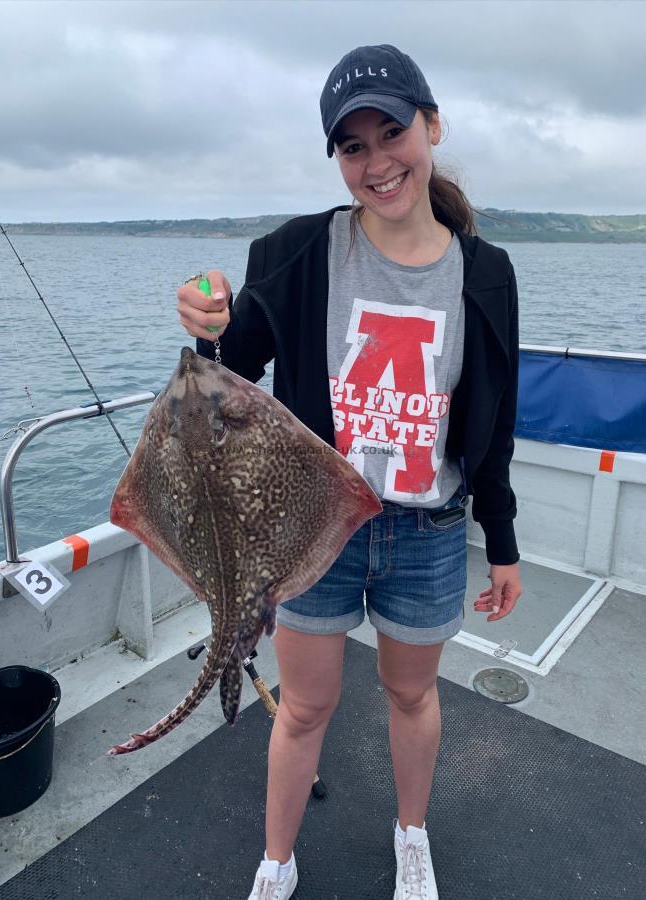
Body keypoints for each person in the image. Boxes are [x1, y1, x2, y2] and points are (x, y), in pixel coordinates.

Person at [177, 43, 522, 900]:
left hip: (429, 531)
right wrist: (208, 325)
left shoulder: (485, 273)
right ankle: (276, 858)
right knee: (303, 708)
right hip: (312, 528)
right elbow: (231, 373)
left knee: (412, 699)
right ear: (336, 158)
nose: (375, 162)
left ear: (431, 127)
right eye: (351, 146)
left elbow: (494, 421)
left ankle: (411, 835)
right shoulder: (295, 252)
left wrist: (502, 542)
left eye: (391, 132)